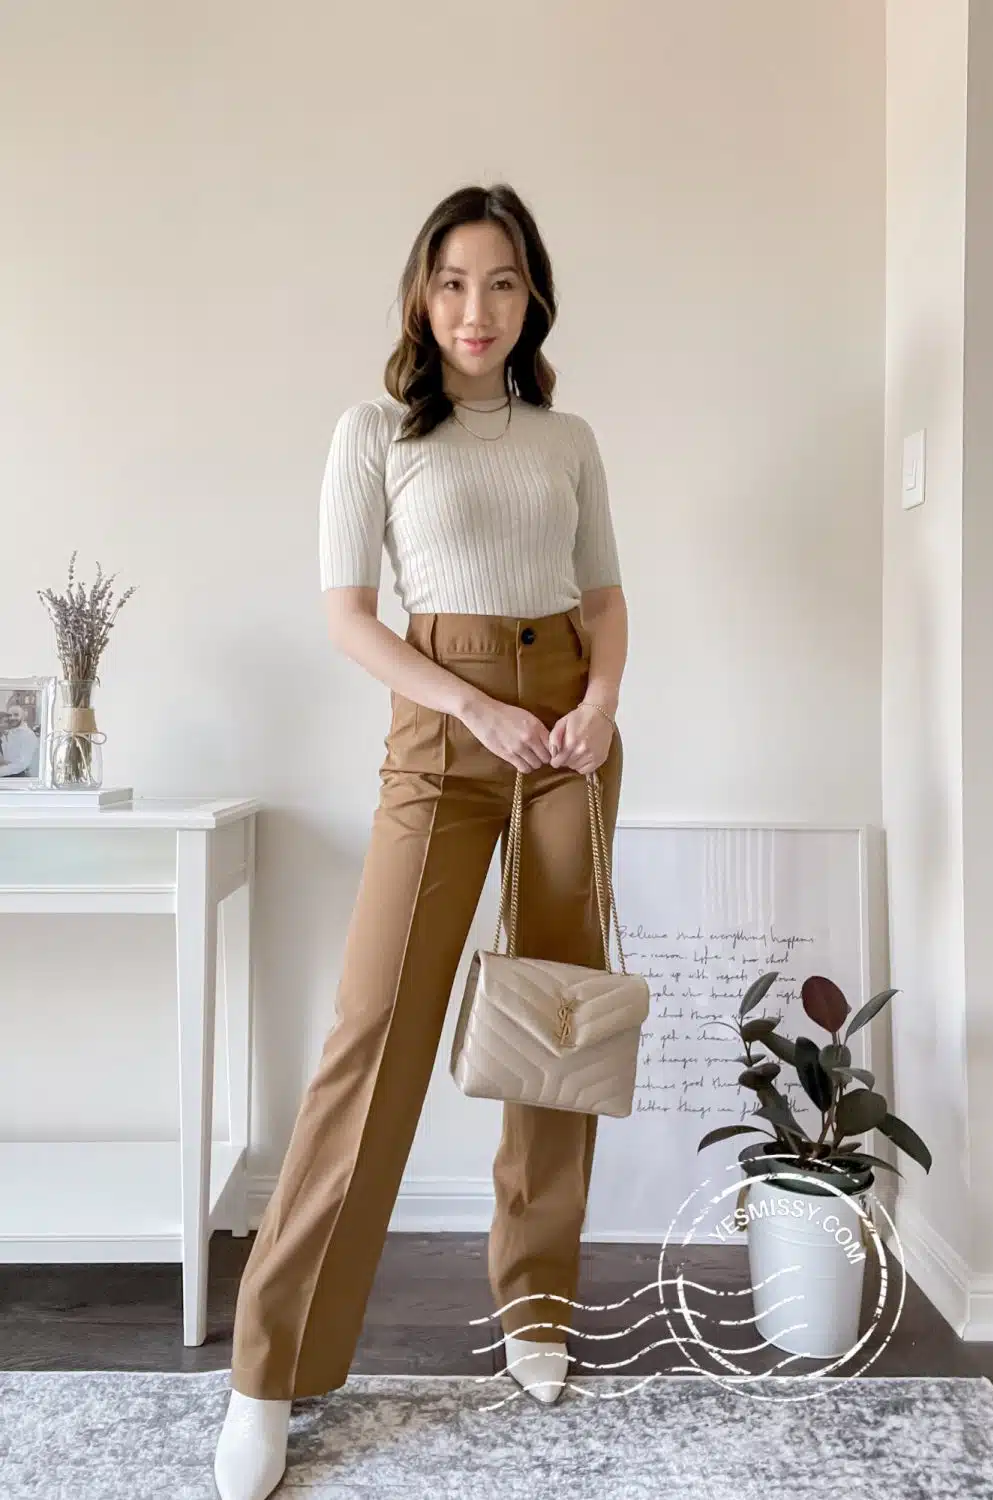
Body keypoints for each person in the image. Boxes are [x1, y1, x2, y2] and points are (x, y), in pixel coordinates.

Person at [214, 182, 629, 1500]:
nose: (476, 308)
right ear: (420, 292)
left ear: (532, 296)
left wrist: (599, 705)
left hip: (567, 734)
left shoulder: (566, 438)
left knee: (556, 1017)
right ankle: (272, 1370)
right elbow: (350, 616)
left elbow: (607, 598)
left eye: (502, 282)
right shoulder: (377, 432)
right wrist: (470, 707)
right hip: (444, 733)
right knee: (373, 1029)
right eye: (453, 280)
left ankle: (538, 1308)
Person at [0, 702, 40, 778]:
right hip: (5, 775)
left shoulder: (28, 735)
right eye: (9, 715)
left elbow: (22, 764)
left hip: (20, 777)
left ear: (22, 717)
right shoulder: (6, 733)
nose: (12, 718)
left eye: (16, 715)